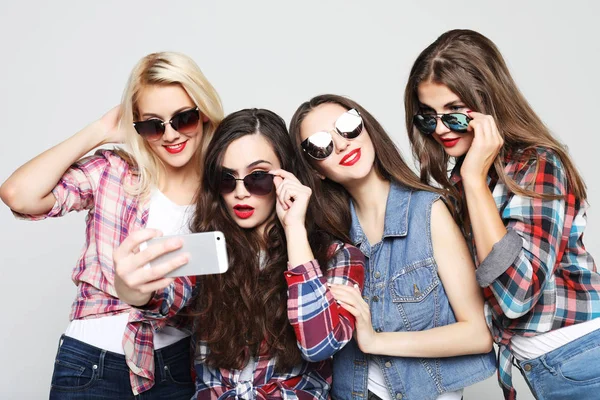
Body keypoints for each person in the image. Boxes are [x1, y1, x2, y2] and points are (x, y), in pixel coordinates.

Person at [0, 52, 224, 398]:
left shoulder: (224, 192)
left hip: (175, 365)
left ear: (204, 113)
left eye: (184, 118)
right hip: (92, 360)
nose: (170, 135)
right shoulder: (114, 172)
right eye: (152, 124)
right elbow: (19, 194)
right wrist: (100, 131)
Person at [113, 108, 365, 399]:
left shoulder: (338, 257)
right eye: (227, 179)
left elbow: (319, 343)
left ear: (288, 176)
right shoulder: (206, 254)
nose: (241, 192)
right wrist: (132, 289)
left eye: (258, 177)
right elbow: (164, 299)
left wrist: (294, 227)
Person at [404, 29, 600, 400]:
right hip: (550, 366)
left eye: (455, 114)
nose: (442, 130)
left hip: (583, 357)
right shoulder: (471, 177)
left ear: (488, 104)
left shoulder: (539, 165)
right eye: (429, 117)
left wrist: (474, 180)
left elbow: (516, 296)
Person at [288, 94, 496, 400]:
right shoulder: (324, 239)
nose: (343, 144)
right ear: (316, 169)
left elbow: (478, 333)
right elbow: (313, 339)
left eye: (348, 126)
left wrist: (376, 341)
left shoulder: (429, 212)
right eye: (321, 145)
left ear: (366, 127)